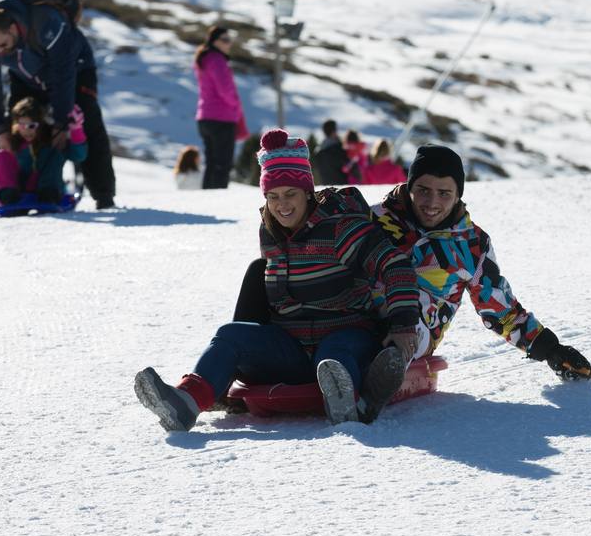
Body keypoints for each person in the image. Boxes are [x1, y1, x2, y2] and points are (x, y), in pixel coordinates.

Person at [133, 129, 423, 431]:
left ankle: (350, 406)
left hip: (348, 334)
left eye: (290, 194)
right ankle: (186, 403)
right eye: (272, 196)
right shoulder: (270, 232)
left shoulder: (340, 227)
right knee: (230, 335)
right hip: (293, 347)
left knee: (334, 355)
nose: (281, 205)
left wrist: (403, 325)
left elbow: (394, 265)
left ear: (307, 192)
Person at [371, 144, 591, 383]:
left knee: (412, 303)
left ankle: (382, 372)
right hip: (356, 312)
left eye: (444, 193)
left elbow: (500, 309)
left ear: (458, 195)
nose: (432, 202)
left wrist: (549, 349)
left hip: (417, 327)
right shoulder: (374, 219)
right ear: (409, 186)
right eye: (423, 190)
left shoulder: (471, 244)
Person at [0, 0, 116, 209]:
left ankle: (103, 195)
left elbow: (63, 74)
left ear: (13, 28)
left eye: (3, 45)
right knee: (15, 128)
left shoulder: (47, 24)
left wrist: (61, 122)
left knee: (86, 123)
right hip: (26, 77)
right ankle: (2, 192)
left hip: (75, 72)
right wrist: (0, 130)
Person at [0, 97, 87, 209]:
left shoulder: (52, 140)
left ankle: (49, 193)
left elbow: (79, 156)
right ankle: (6, 195)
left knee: (53, 154)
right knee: (1, 156)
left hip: (48, 190)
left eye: (32, 126)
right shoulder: (12, 142)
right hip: (17, 192)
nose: (27, 130)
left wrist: (76, 130)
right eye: (22, 125)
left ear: (40, 124)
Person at [193, 25, 251, 189]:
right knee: (222, 164)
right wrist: (235, 104)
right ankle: (217, 199)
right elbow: (225, 89)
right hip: (221, 118)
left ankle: (206, 199)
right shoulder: (217, 60)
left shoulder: (204, 59)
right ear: (214, 41)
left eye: (229, 40)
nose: (228, 43)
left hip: (205, 117)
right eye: (224, 40)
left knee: (211, 163)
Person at [311, 119, 349, 185]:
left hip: (325, 185)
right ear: (333, 131)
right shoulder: (338, 148)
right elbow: (345, 165)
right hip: (341, 185)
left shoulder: (319, 150)